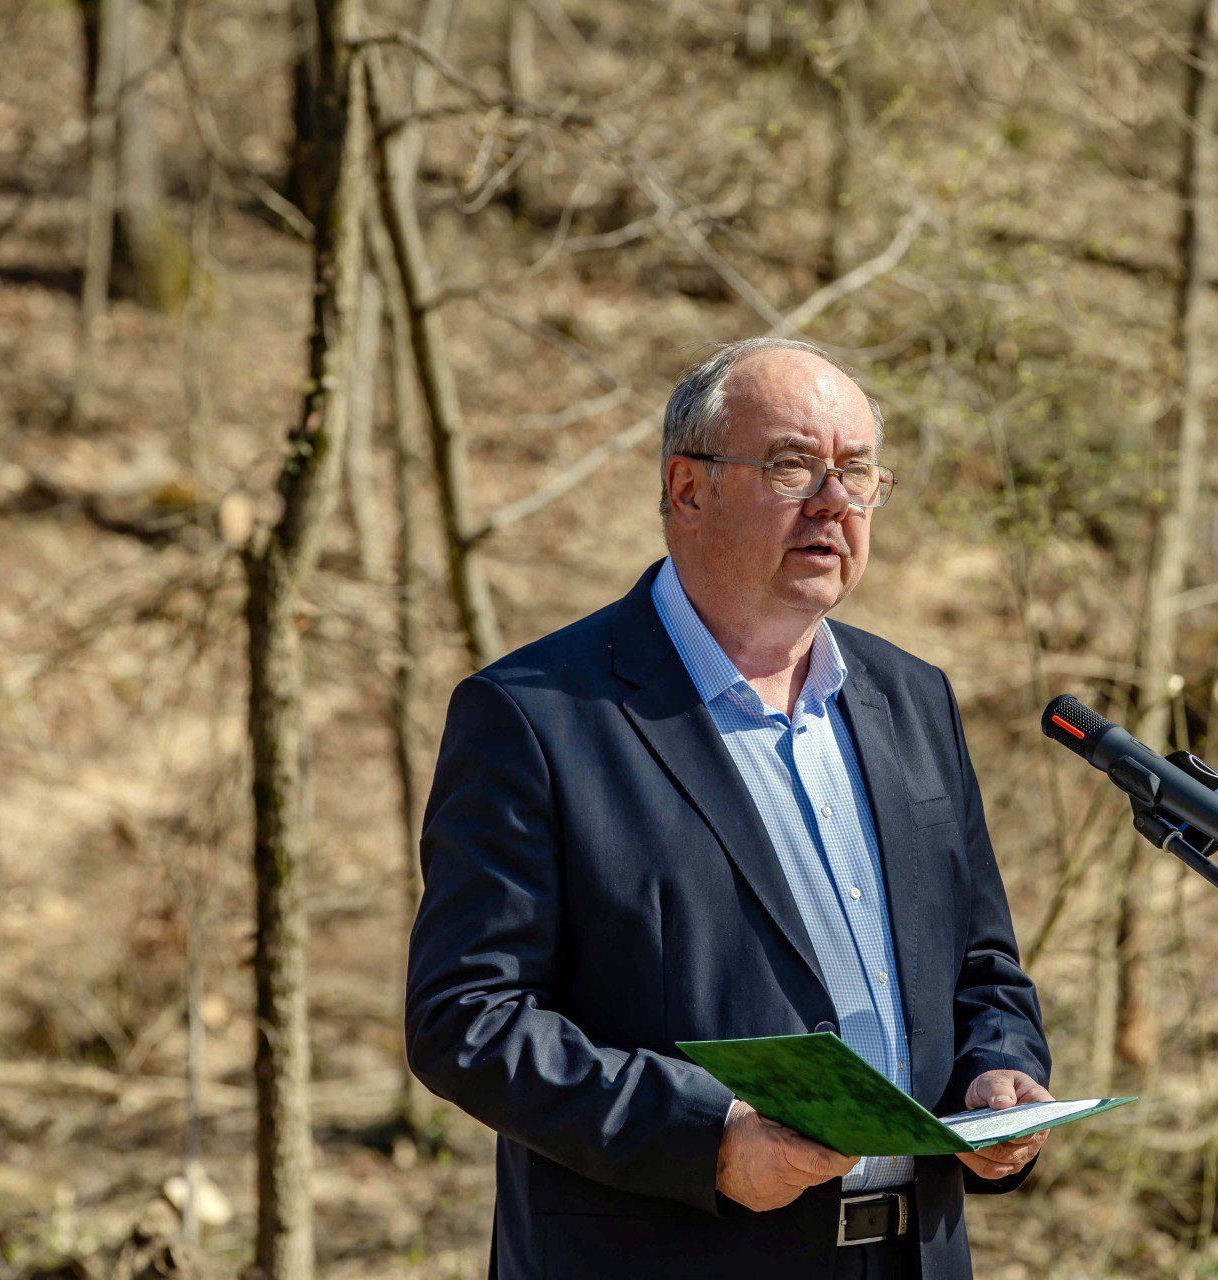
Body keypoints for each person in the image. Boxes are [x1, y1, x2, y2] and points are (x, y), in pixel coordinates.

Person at [407, 337, 1053, 1280]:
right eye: (794, 466)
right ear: (687, 489)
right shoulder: (539, 715)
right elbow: (468, 1018)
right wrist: (706, 1137)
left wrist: (997, 1076)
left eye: (860, 472)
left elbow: (983, 967)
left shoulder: (913, 698)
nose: (835, 501)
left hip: (915, 1255)